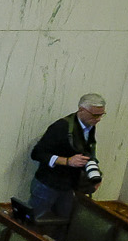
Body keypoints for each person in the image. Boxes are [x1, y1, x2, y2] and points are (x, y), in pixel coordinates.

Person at [29, 92, 106, 222]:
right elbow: (37, 153)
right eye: (95, 115)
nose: (98, 119)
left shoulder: (89, 126)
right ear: (81, 110)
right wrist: (67, 161)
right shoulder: (61, 127)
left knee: (64, 222)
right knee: (33, 221)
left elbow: (87, 153)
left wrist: (94, 176)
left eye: (101, 115)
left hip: (68, 186)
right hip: (47, 184)